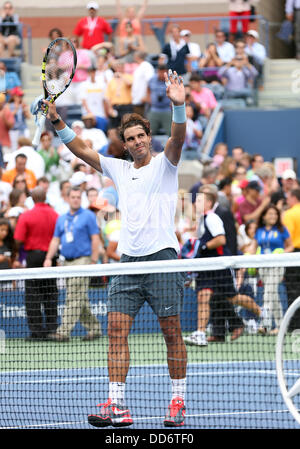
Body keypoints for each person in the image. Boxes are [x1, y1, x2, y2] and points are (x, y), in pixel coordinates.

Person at [42, 69, 187, 427]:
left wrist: (178, 107)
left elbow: (179, 139)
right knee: (116, 332)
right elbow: (79, 148)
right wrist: (57, 120)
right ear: (124, 144)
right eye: (131, 138)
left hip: (163, 260)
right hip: (128, 263)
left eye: (141, 136)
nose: (137, 141)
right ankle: (117, 405)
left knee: (171, 332)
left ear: (149, 137)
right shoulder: (119, 169)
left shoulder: (166, 165)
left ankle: (178, 399)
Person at [183, 191, 268, 347]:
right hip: (205, 267)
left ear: (209, 203)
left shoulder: (213, 218)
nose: (196, 203)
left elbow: (221, 239)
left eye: (200, 200)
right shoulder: (202, 220)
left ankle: (262, 313)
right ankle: (200, 333)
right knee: (203, 296)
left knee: (233, 297)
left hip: (219, 266)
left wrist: (202, 246)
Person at [44, 186, 102, 342]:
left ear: (80, 199)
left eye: (78, 197)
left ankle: (63, 332)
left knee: (73, 296)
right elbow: (56, 240)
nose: (76, 199)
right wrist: (48, 258)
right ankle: (95, 328)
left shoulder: (88, 216)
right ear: (68, 198)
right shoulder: (61, 218)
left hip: (83, 260)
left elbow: (95, 239)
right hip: (66, 262)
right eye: (73, 197)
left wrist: (94, 261)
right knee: (79, 297)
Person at [14, 187, 59, 340]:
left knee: (33, 296)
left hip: (33, 258)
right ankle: (52, 330)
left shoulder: (26, 216)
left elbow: (18, 239)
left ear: (32, 198)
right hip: (50, 258)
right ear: (45, 197)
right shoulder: (55, 215)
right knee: (51, 294)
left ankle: (37, 332)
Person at [253, 204, 293, 335]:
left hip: (277, 265)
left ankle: (264, 324)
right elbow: (253, 248)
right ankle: (281, 326)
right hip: (263, 266)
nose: (273, 216)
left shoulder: (282, 230)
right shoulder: (259, 231)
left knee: (268, 293)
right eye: (270, 214)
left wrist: (281, 253)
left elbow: (290, 246)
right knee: (273, 295)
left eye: (275, 214)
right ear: (264, 216)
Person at [282, 188, 300, 330]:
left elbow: (287, 239)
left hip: (293, 255)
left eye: (288, 198)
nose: (286, 201)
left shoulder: (289, 214)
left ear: (294, 198)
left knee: (293, 290)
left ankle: (294, 324)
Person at [146, 64, 172, 136]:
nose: (162, 75)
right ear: (158, 71)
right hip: (154, 109)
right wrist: (149, 99)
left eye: (164, 73)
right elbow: (148, 89)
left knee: (171, 133)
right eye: (160, 72)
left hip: (166, 109)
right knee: (149, 133)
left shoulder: (170, 80)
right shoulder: (152, 79)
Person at [131, 51, 155, 117]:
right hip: (137, 100)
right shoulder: (140, 66)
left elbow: (150, 81)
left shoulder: (146, 66)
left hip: (143, 100)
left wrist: (147, 96)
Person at [8, 86, 30, 152]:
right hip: (14, 130)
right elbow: (8, 117)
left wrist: (25, 110)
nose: (20, 98)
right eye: (18, 96)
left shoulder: (23, 105)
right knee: (14, 148)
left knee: (25, 147)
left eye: (21, 96)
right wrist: (16, 109)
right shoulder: (9, 105)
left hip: (23, 129)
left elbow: (28, 117)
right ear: (14, 96)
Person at [0, 92, 14, 156]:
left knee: (6, 162)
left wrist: (4, 118)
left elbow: (11, 125)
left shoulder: (6, 111)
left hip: (5, 143)